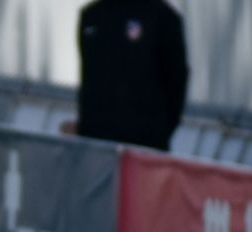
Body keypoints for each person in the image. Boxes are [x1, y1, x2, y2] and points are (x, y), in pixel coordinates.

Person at [72, 0, 189, 151]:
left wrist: (157, 132)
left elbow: (176, 80)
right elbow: (88, 79)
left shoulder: (162, 17)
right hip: (95, 141)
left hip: (144, 144)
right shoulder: (92, 15)